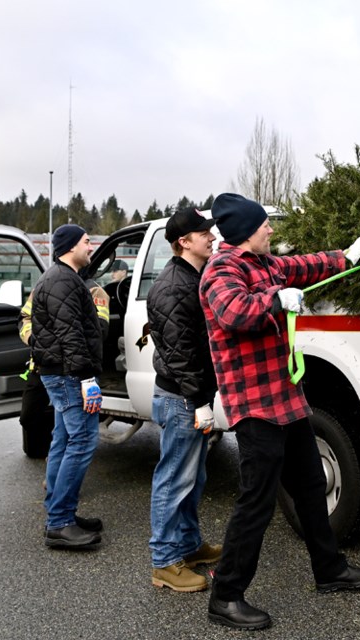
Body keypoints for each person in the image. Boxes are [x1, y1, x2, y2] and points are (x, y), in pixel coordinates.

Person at [199, 193, 360, 630]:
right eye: (264, 225)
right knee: (256, 502)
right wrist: (276, 302)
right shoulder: (220, 271)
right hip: (255, 405)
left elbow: (305, 266)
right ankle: (226, 596)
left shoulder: (266, 264)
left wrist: (347, 256)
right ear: (244, 232)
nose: (272, 231)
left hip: (288, 399)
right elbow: (234, 312)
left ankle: (329, 570)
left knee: (312, 485)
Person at [146, 209, 222, 592]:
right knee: (174, 479)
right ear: (183, 242)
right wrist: (198, 400)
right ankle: (163, 561)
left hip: (189, 396)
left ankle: (189, 547)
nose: (211, 236)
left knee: (194, 477)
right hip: (180, 399)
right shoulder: (174, 286)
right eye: (202, 232)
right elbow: (180, 353)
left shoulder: (194, 277)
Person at [31, 224, 106, 548]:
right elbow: (70, 335)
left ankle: (60, 512)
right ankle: (59, 521)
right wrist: (87, 379)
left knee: (63, 438)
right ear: (70, 246)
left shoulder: (63, 278)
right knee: (83, 440)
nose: (91, 247)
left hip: (61, 372)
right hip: (68, 374)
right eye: (87, 242)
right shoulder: (62, 280)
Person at [19, 279, 109, 461]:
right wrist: (35, 340)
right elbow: (24, 318)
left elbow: (100, 330)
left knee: (71, 428)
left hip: (72, 368)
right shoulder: (43, 286)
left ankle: (56, 462)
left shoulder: (94, 291)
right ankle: (54, 451)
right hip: (42, 365)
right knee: (28, 417)